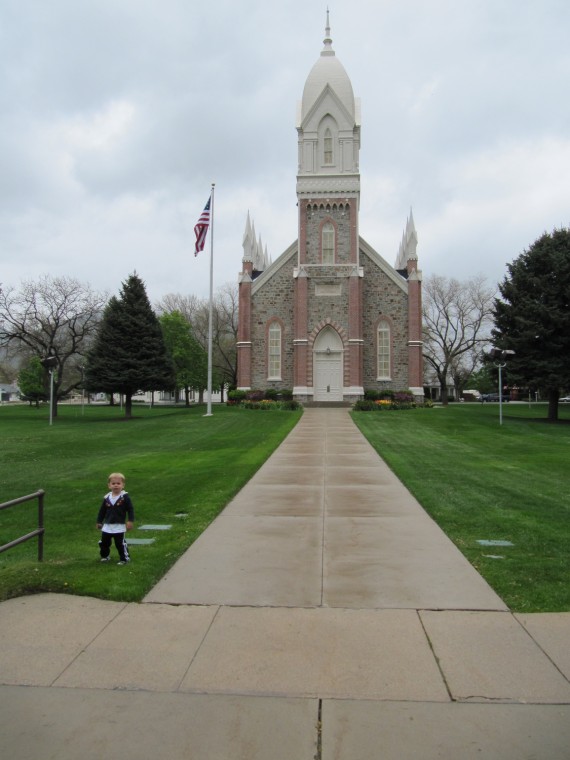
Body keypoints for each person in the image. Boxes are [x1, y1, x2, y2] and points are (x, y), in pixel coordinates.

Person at [96, 472, 135, 565]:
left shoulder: (124, 498)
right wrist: (99, 521)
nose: (116, 486)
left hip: (119, 525)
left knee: (120, 543)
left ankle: (124, 558)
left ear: (123, 485)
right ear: (109, 485)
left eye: (118, 483)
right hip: (107, 526)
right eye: (113, 484)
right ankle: (105, 556)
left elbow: (130, 509)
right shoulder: (107, 498)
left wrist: (130, 520)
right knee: (104, 542)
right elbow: (102, 511)